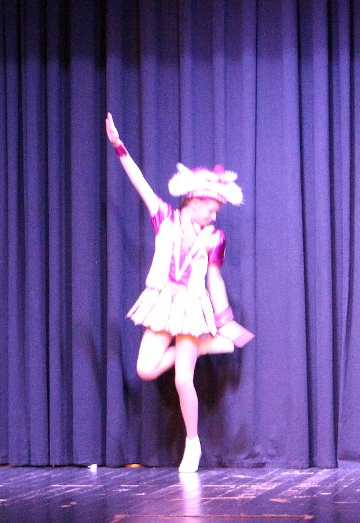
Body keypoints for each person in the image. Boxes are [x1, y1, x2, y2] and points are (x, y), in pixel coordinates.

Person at [106, 112, 252, 473]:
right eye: (211, 211)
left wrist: (225, 321)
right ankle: (205, 346)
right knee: (145, 369)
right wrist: (119, 147)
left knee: (183, 378)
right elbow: (140, 184)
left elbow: (214, 279)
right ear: (195, 203)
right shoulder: (165, 218)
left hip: (191, 307)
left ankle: (192, 442)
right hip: (162, 301)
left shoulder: (214, 238)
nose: (214, 218)